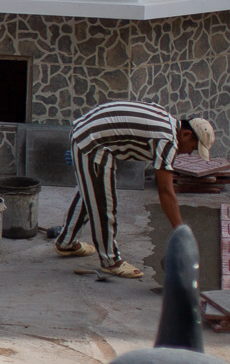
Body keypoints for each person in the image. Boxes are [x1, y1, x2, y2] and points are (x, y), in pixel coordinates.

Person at [53, 103, 215, 278]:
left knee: (91, 191)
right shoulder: (168, 141)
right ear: (186, 134)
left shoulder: (166, 120)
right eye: (192, 148)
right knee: (103, 204)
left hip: (86, 131)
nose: (189, 153)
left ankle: (66, 242)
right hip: (92, 141)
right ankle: (110, 261)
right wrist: (181, 232)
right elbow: (166, 191)